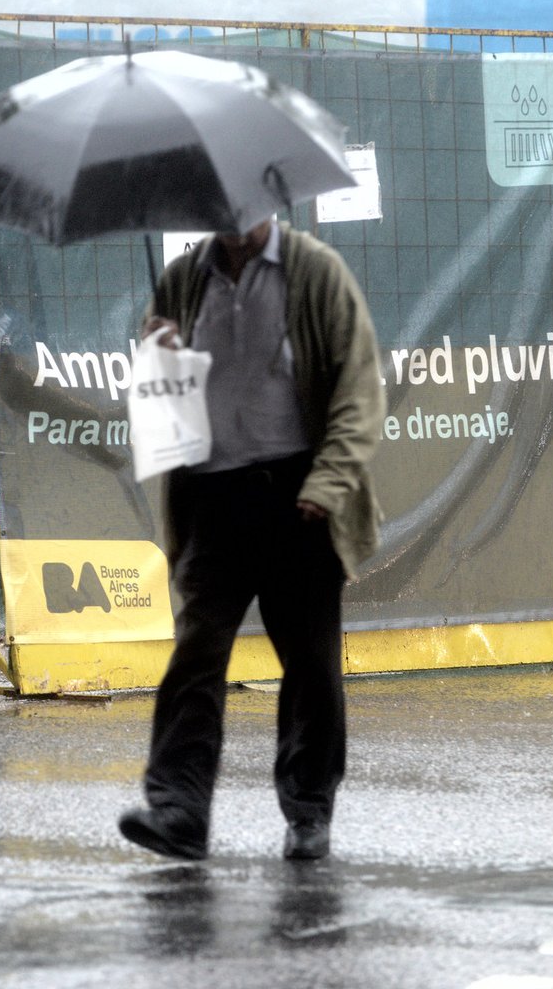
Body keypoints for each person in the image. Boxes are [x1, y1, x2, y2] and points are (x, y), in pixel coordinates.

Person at [118, 217, 384, 861]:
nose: (234, 221)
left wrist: (328, 482)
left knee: (311, 664)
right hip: (213, 499)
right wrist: (157, 355)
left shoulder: (316, 272)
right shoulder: (183, 280)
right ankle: (179, 812)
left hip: (300, 497)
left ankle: (309, 812)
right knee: (197, 655)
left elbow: (358, 392)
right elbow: (158, 397)